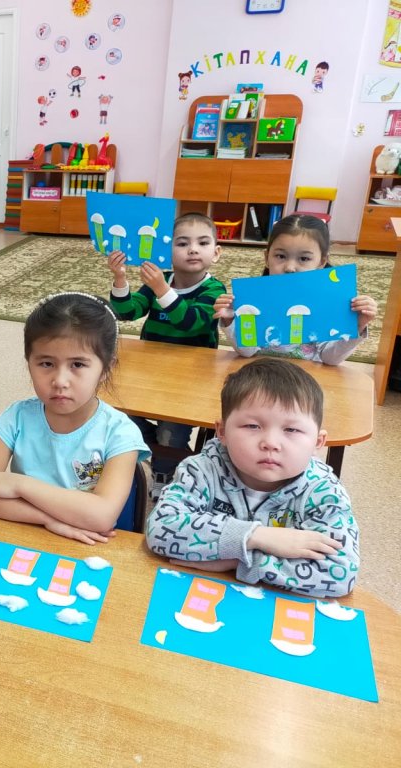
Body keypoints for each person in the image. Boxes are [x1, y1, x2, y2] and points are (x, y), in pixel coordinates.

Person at [145, 358, 359, 598]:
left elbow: (339, 574)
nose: (271, 443)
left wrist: (239, 562)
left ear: (317, 442)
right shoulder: (201, 470)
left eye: (291, 430)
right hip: (200, 595)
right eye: (252, 426)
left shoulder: (324, 492)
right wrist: (256, 536)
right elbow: (160, 529)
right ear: (222, 431)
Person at [0, 293, 150, 544]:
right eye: (46, 363)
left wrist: (19, 485)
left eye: (78, 365)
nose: (60, 381)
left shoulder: (120, 433)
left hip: (91, 548)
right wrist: (48, 521)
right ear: (29, 363)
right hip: (25, 538)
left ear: (105, 369)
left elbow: (102, 516)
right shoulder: (17, 418)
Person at [107, 212, 226, 494]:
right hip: (150, 372)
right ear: (166, 251)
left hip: (191, 380)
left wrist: (161, 288)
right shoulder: (161, 282)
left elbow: (191, 322)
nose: (193, 249)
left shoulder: (213, 288)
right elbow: (127, 312)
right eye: (182, 243)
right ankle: (155, 453)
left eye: (203, 243)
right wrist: (120, 279)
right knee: (119, 414)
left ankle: (164, 474)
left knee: (171, 432)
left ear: (216, 253)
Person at [213, 214, 378, 365]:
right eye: (281, 256)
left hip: (304, 379)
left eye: (304, 258)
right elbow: (247, 352)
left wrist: (357, 326)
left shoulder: (325, 302)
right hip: (261, 373)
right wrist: (230, 321)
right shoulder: (254, 300)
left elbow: (330, 359)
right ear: (267, 257)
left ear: (321, 262)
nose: (290, 268)